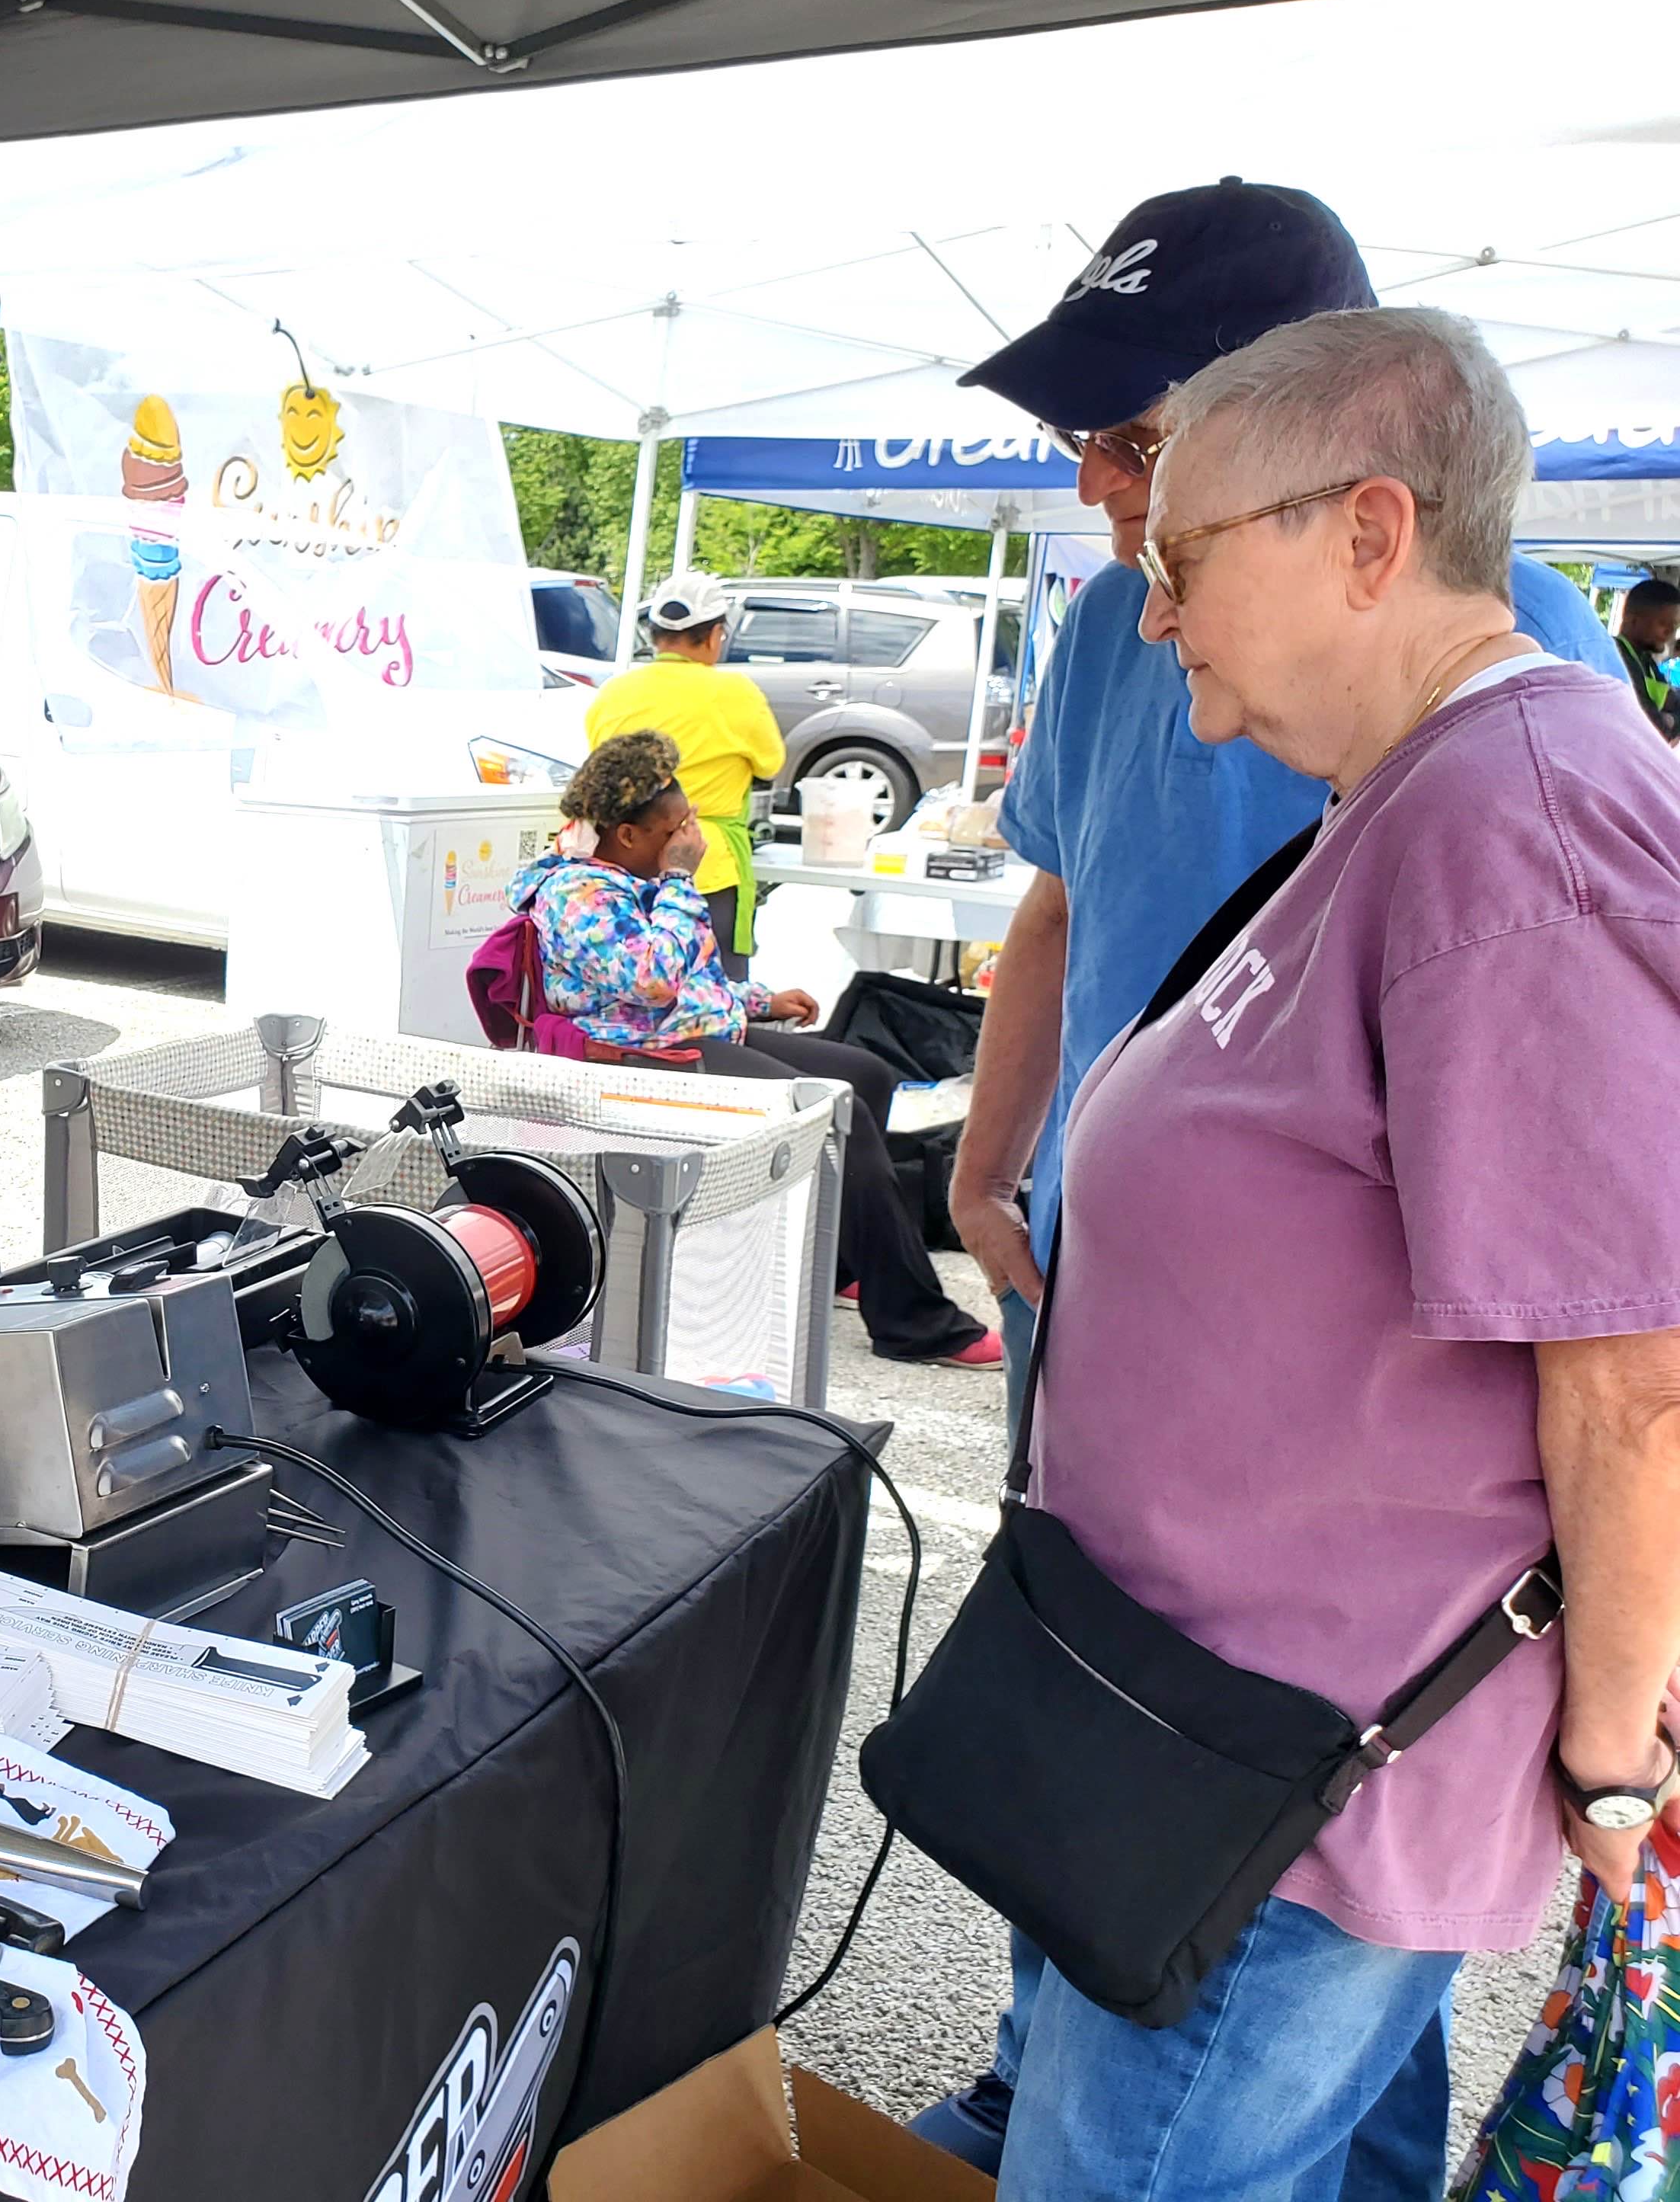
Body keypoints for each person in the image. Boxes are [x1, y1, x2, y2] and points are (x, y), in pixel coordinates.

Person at [918, 180, 1619, 2168]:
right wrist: (999, 1163)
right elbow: (1056, 896)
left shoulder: (1516, 684)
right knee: (1091, 1765)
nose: (1104, 499)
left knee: (1288, 1875)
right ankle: (1063, 2063)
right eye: (1092, 446)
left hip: (1337, 1466)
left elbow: (1609, 1304)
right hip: (1106, 1309)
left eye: (1141, 443)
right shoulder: (1108, 621)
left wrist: (1621, 1731)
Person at [514, 731, 997, 1369]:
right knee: (833, 1112)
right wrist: (684, 879)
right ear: (628, 835)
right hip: (641, 1058)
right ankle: (914, 1322)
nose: (690, 835)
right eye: (676, 827)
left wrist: (759, 1000)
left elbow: (688, 983)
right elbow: (652, 978)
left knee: (867, 1075)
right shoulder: (581, 895)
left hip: (683, 1035)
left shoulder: (628, 875)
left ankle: (841, 1261)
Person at [582, 571, 783, 974]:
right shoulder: (737, 694)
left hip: (620, 862)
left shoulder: (614, 692)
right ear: (714, 636)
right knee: (713, 994)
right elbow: (770, 763)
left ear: (655, 635)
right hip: (704, 863)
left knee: (632, 995)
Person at [1617, 576, 1679, 737]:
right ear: (1632, 619)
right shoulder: (1617, 657)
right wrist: (1665, 721)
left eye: (1675, 626)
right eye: (1663, 624)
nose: (1670, 632)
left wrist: (1670, 720)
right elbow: (1652, 729)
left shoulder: (1646, 661)